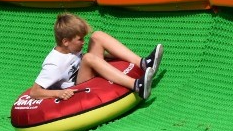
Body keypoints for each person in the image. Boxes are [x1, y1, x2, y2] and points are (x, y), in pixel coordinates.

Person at [28, 13, 163, 102]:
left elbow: (88, 57)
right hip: (78, 85)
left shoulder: (70, 48)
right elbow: (34, 92)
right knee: (88, 58)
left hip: (85, 71)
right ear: (65, 42)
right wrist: (58, 94)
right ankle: (137, 86)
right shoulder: (54, 64)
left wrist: (114, 56)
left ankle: (144, 63)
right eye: (80, 39)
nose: (83, 42)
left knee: (97, 36)